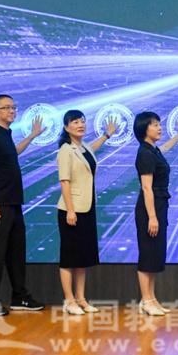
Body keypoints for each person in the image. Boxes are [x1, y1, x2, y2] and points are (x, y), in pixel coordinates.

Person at [0, 94, 46, 317]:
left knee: (16, 251)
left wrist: (32, 136)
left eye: (13, 107)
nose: (11, 111)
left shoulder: (5, 135)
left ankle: (19, 296)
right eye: (6, 108)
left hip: (14, 202)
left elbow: (13, 153)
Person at [56, 110, 117, 315]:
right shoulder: (65, 150)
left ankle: (81, 298)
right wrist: (70, 210)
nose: (80, 125)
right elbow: (64, 181)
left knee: (83, 256)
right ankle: (69, 300)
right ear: (66, 127)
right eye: (75, 122)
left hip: (87, 207)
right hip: (71, 209)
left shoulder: (83, 147)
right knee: (69, 257)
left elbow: (93, 148)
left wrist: (107, 135)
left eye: (82, 121)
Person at [134, 111, 178, 316]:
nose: (159, 127)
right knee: (147, 254)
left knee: (155, 255)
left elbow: (166, 147)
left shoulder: (153, 150)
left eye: (159, 124)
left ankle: (151, 299)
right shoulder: (145, 153)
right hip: (151, 207)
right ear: (144, 129)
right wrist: (152, 217)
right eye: (154, 124)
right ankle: (146, 299)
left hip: (159, 204)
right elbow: (146, 187)